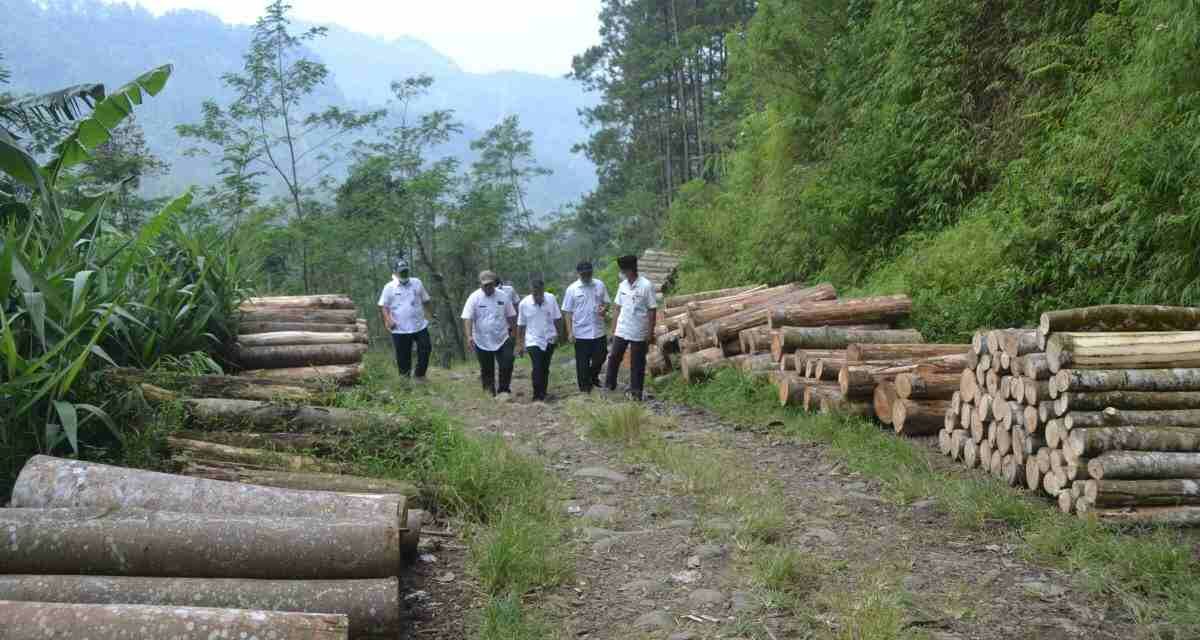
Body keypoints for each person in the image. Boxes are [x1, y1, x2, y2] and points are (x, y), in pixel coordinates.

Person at [605, 255, 656, 400]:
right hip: (622, 328)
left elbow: (652, 310)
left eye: (623, 270)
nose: (622, 273)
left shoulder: (646, 285)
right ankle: (609, 385)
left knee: (637, 363)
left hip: (639, 330)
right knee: (614, 357)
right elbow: (617, 307)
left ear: (631, 270)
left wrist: (650, 332)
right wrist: (613, 329)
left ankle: (636, 393)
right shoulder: (623, 285)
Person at [461, 270, 517, 398]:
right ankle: (489, 394)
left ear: (494, 283)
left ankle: (504, 391)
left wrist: (514, 333)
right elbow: (467, 318)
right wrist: (469, 336)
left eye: (490, 284)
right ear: (480, 285)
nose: (488, 287)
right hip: (482, 339)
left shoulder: (503, 296)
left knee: (507, 363)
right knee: (486, 369)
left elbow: (511, 315)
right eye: (485, 285)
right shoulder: (474, 297)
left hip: (503, 337)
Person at [377, 259, 433, 380]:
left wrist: (431, 314)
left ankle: (420, 375)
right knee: (403, 356)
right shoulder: (389, 287)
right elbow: (383, 306)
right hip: (399, 328)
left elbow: (426, 300)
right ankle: (405, 380)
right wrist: (388, 320)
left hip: (419, 325)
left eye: (406, 271)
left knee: (426, 348)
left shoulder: (417, 282)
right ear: (395, 273)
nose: (404, 274)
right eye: (401, 272)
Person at [561, 260, 610, 393]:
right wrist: (570, 332)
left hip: (598, 330)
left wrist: (604, 309)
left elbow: (606, 303)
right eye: (584, 274)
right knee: (582, 363)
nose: (587, 276)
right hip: (581, 332)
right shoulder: (572, 289)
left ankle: (593, 376)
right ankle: (585, 390)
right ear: (579, 274)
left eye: (589, 273)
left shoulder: (599, 285)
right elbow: (567, 312)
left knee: (601, 356)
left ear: (592, 272)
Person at [516, 278, 563, 402]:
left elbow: (557, 318)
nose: (537, 296)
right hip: (533, 340)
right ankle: (537, 395)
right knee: (537, 366)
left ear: (543, 291)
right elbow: (521, 325)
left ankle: (543, 392)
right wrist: (519, 344)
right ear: (531, 292)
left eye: (540, 293)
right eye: (534, 293)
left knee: (545, 367)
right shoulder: (524, 304)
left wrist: (559, 334)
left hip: (549, 338)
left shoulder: (551, 299)